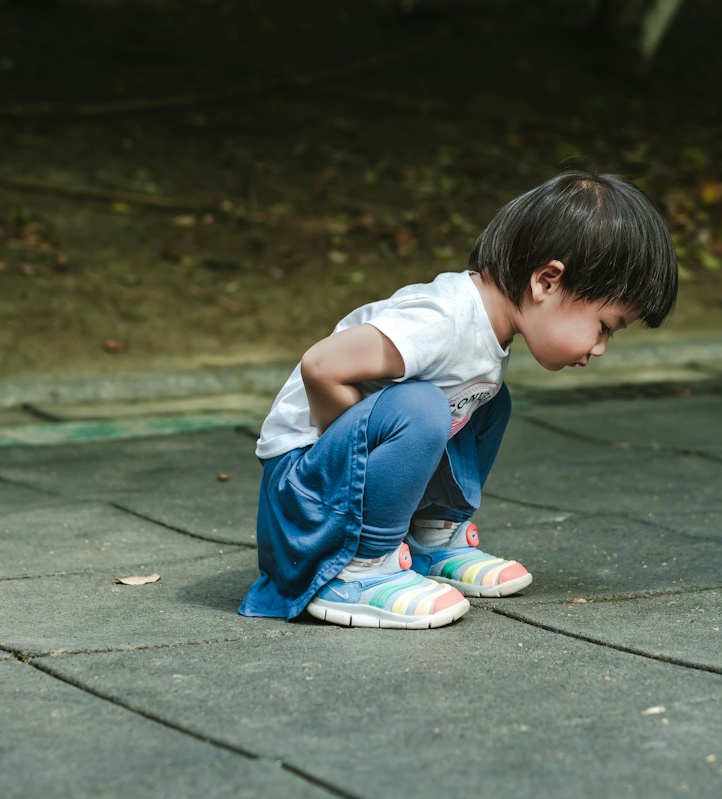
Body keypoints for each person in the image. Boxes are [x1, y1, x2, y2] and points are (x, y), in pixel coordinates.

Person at [238, 169, 679, 629]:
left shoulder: (488, 332)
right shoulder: (443, 320)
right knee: (422, 407)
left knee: (488, 402)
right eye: (605, 326)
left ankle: (433, 539)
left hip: (328, 491)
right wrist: (357, 466)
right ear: (547, 281)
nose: (601, 347)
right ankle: (361, 568)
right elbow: (322, 366)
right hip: (304, 502)